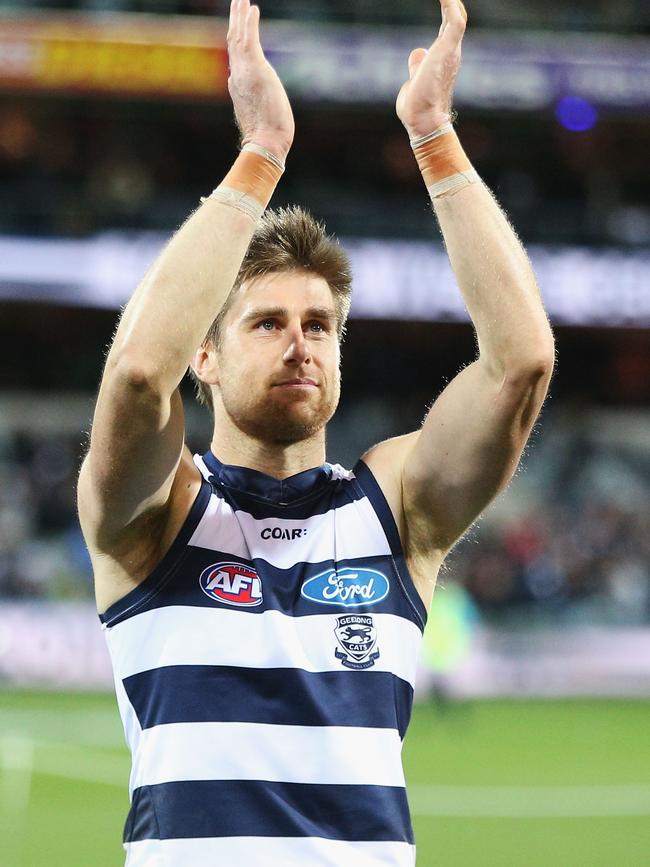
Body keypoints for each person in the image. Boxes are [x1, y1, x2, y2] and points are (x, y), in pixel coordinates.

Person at [77, 0, 554, 864]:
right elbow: (141, 372)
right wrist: (260, 153)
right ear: (208, 357)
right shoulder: (157, 517)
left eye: (320, 324)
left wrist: (435, 137)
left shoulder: (394, 510)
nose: (301, 341)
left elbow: (520, 362)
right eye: (265, 323)